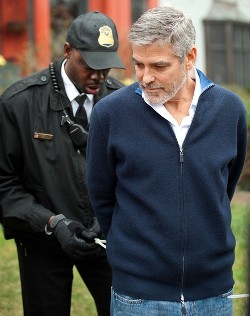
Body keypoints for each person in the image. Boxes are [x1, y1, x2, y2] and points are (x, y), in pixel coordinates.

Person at [86, 5, 248, 316]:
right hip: (138, 297)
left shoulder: (230, 110)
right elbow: (101, 195)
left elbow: (223, 187)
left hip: (213, 294)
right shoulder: (110, 114)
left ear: (189, 57)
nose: (146, 78)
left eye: (158, 66)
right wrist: (134, 256)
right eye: (138, 64)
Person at [0, 11, 125, 316]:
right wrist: (51, 223)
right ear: (68, 51)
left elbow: (136, 175)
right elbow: (5, 185)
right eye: (90, 64)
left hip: (108, 240)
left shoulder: (124, 103)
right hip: (42, 243)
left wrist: (110, 218)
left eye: (105, 64)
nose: (99, 75)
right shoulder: (19, 103)